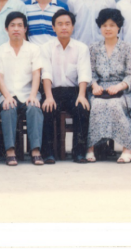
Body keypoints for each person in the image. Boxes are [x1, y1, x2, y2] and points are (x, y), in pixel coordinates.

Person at [86, 8, 131, 164]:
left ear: (118, 27)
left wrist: (119, 86)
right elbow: (89, 72)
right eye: (104, 25)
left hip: (122, 91)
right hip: (99, 90)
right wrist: (94, 85)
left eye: (112, 25)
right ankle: (91, 147)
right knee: (97, 105)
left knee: (115, 105)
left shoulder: (128, 48)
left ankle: (127, 148)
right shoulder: (93, 48)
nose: (108, 28)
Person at [40, 11, 91, 164]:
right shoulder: (46, 47)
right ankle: (49, 153)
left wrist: (81, 95)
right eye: (60, 24)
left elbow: (84, 73)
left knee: (82, 108)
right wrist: (49, 97)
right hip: (52, 90)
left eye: (67, 24)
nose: (64, 27)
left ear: (73, 27)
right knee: (47, 108)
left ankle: (79, 152)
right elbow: (46, 73)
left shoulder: (81, 48)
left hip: (74, 91)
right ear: (53, 27)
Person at [0, 11, 45, 166]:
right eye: (12, 25)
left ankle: (35, 150)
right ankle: (10, 151)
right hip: (6, 93)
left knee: (34, 108)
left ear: (25, 29)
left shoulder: (33, 49)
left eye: (19, 25)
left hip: (28, 92)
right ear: (6, 29)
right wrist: (7, 96)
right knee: (8, 108)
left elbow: (36, 74)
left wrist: (33, 95)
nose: (16, 29)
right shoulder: (0, 50)